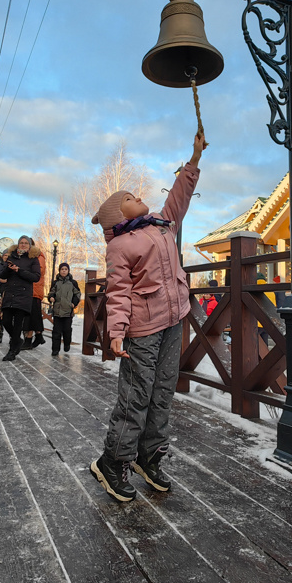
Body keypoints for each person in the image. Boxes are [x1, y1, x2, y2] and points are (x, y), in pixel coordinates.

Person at [88, 132, 205, 502]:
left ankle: (149, 456)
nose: (138, 198)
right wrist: (117, 332)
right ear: (116, 214)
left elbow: (178, 198)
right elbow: (118, 292)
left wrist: (195, 158)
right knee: (136, 396)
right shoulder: (120, 246)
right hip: (143, 329)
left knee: (163, 391)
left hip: (173, 320)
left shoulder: (160, 225)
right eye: (129, 199)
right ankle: (113, 460)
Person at [0, 236, 41, 361]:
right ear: (18, 244)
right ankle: (18, 340)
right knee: (5, 321)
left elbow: (36, 277)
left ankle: (12, 351)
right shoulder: (12, 256)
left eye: (26, 243)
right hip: (10, 292)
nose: (23, 245)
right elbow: (3, 275)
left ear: (29, 245)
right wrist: (9, 269)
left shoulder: (33, 259)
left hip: (23, 294)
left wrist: (19, 270)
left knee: (17, 324)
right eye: (21, 243)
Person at [47, 262, 80, 356]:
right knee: (56, 331)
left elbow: (77, 294)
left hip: (68, 310)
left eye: (65, 269)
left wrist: (74, 303)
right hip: (57, 310)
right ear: (59, 271)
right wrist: (51, 297)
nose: (64, 271)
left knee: (67, 330)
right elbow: (51, 292)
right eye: (62, 269)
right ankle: (55, 349)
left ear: (68, 271)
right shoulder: (55, 282)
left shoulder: (73, 283)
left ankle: (67, 344)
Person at [24, 238, 47, 349]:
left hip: (35, 289)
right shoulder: (27, 257)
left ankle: (29, 339)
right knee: (33, 315)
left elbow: (40, 271)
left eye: (27, 244)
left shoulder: (39, 256)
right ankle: (38, 336)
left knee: (32, 315)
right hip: (27, 290)